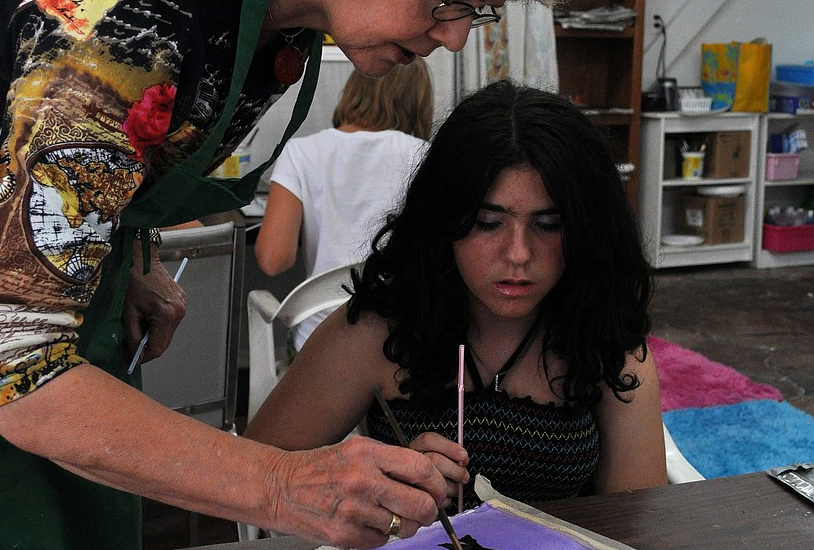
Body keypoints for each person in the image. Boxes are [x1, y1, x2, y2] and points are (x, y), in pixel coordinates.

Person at [0, 0, 584, 550]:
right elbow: (11, 367)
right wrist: (285, 484)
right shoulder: (133, 14)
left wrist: (125, 248)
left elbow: (103, 147)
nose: (453, 40)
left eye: (477, 12)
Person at [248, 82, 667, 510]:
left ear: (587, 230)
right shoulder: (380, 330)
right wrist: (373, 482)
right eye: (487, 222)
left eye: (549, 225)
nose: (518, 254)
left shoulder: (604, 339)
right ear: (442, 220)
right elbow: (254, 477)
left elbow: (635, 523)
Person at [254, 58, 433, 351]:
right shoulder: (425, 157)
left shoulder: (300, 153)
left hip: (318, 345)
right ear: (418, 102)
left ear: (353, 90)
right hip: (399, 345)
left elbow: (273, 260)